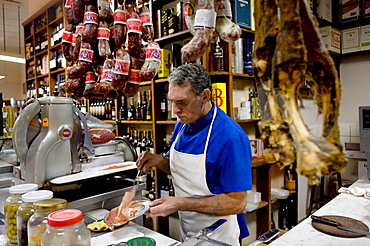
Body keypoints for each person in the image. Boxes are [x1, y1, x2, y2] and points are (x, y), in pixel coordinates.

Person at [136, 63, 252, 245]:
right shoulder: (182, 125)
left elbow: (237, 202)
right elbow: (183, 171)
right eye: (171, 101)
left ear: (204, 96)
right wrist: (158, 161)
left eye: (181, 102)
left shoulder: (230, 137)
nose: (175, 110)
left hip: (220, 234)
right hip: (189, 231)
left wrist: (181, 203)